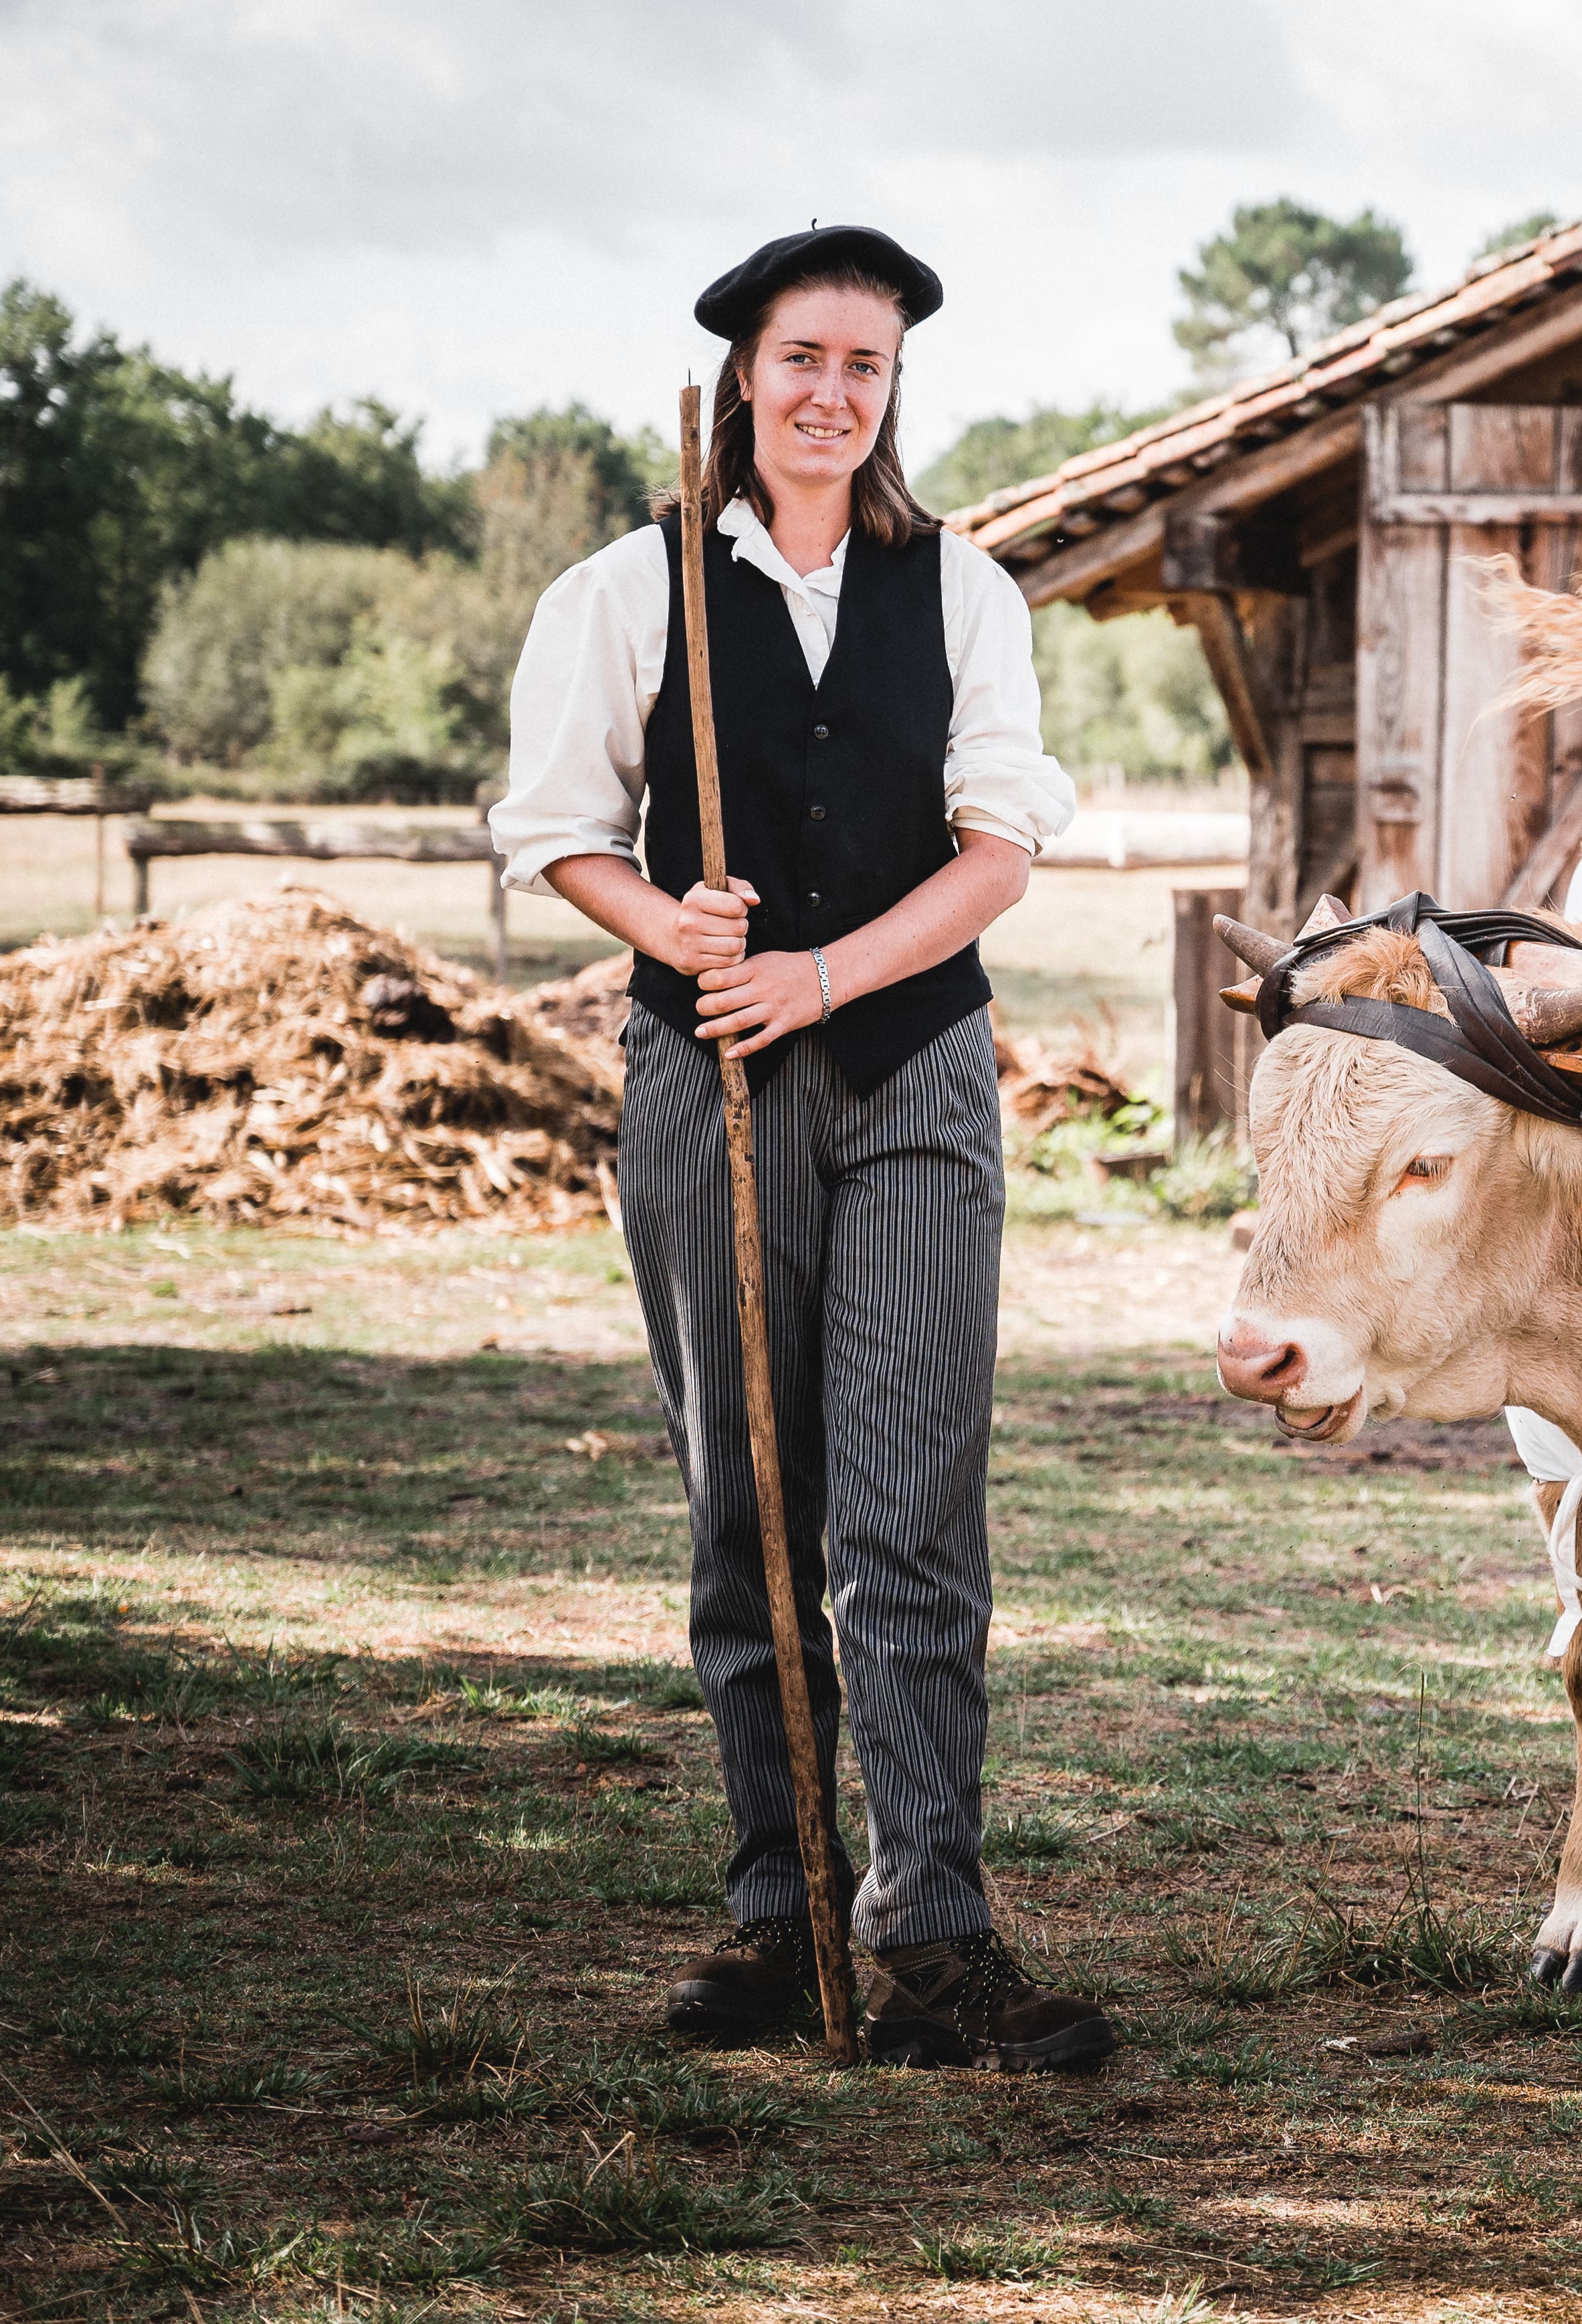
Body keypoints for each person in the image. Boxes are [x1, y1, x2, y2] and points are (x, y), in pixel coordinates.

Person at [491, 225, 1110, 2072]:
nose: (834, 392)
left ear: (894, 386)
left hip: (916, 1068)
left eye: (867, 362)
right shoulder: (630, 589)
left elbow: (998, 847)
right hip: (709, 1086)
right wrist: (671, 930)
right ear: (743, 379)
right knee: (747, 1505)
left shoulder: (965, 590)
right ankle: (776, 1916)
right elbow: (559, 828)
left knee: (911, 1510)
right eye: (803, 359)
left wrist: (826, 969)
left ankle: (935, 1931)